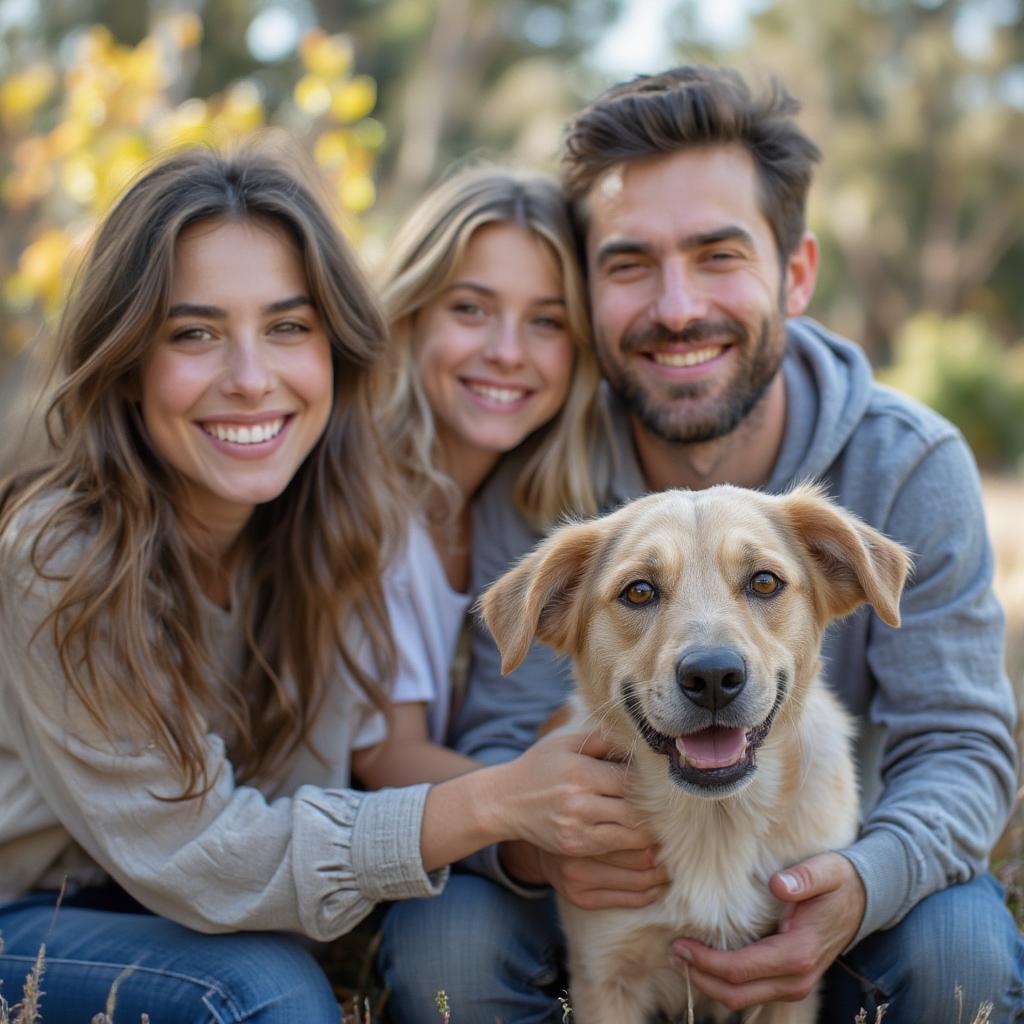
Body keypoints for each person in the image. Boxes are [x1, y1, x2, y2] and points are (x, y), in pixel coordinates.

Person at [380, 67, 1023, 1023]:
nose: (677, 307)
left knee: (963, 956)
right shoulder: (547, 463)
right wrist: (537, 846)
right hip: (609, 881)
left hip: (828, 859)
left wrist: (859, 886)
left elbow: (963, 745)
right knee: (446, 945)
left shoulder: (907, 460)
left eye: (718, 255)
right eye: (631, 264)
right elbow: (504, 737)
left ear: (795, 273)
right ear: (590, 291)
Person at [0, 145, 653, 1023]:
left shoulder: (323, 526)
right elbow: (203, 855)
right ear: (126, 360)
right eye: (193, 333)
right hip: (33, 911)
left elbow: (307, 803)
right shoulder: (58, 553)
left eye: (287, 327)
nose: (249, 377)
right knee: (262, 994)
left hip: (185, 912)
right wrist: (501, 803)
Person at [352, 165, 607, 787]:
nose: (507, 352)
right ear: (411, 315)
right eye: (471, 309)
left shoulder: (528, 505)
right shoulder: (362, 500)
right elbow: (384, 756)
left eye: (546, 321)